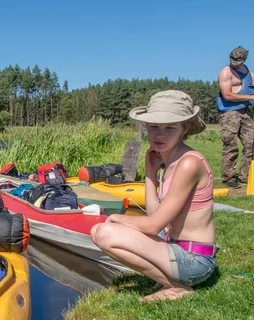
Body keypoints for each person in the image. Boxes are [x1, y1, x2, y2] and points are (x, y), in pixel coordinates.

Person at [91, 90, 216, 303]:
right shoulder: (169, 162)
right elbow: (155, 216)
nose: (160, 134)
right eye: (154, 126)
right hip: (176, 250)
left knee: (103, 232)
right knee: (100, 232)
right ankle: (170, 280)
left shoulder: (189, 163)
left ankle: (175, 287)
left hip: (195, 260)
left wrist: (115, 218)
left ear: (184, 129)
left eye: (170, 127)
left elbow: (151, 226)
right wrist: (151, 173)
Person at [216, 46, 254, 188]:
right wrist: (252, 97)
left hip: (246, 110)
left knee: (251, 144)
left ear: (244, 59)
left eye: (239, 61)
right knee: (231, 144)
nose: (236, 63)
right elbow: (227, 95)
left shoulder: (247, 70)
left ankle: (245, 175)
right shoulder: (225, 72)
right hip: (230, 112)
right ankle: (228, 176)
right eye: (233, 60)